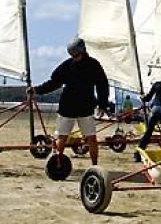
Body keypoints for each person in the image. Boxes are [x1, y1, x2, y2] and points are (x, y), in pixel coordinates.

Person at [27, 37, 109, 166]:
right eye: (72, 56)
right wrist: (36, 90)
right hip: (68, 107)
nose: (75, 58)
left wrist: (102, 104)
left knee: (91, 138)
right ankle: (57, 165)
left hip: (85, 107)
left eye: (76, 55)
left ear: (83, 51)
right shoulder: (67, 65)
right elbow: (54, 83)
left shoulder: (94, 65)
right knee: (62, 138)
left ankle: (95, 166)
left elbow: (102, 85)